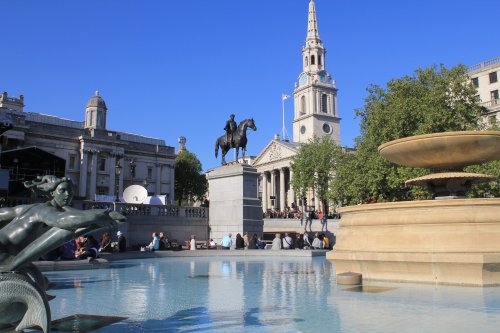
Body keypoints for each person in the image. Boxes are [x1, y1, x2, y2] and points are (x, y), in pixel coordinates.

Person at [0, 176, 125, 271]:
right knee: (68, 230)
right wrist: (99, 218)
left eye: (70, 192)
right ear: (53, 193)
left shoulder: (28, 207)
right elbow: (63, 221)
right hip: (3, 253)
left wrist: (106, 214)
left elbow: (81, 214)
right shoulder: (44, 210)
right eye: (62, 191)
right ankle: (13, 263)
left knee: (80, 225)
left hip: (7, 250)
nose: (67, 195)